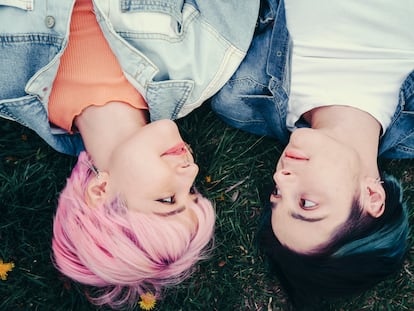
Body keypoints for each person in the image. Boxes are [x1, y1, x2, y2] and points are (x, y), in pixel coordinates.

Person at [0, 0, 260, 308]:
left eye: (167, 199)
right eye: (192, 191)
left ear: (100, 191)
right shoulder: (203, 65)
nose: (190, 170)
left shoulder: (8, 83)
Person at [211, 0, 412, 308]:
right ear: (372, 196)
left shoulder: (244, 96)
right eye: (306, 203)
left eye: (278, 193)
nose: (281, 176)